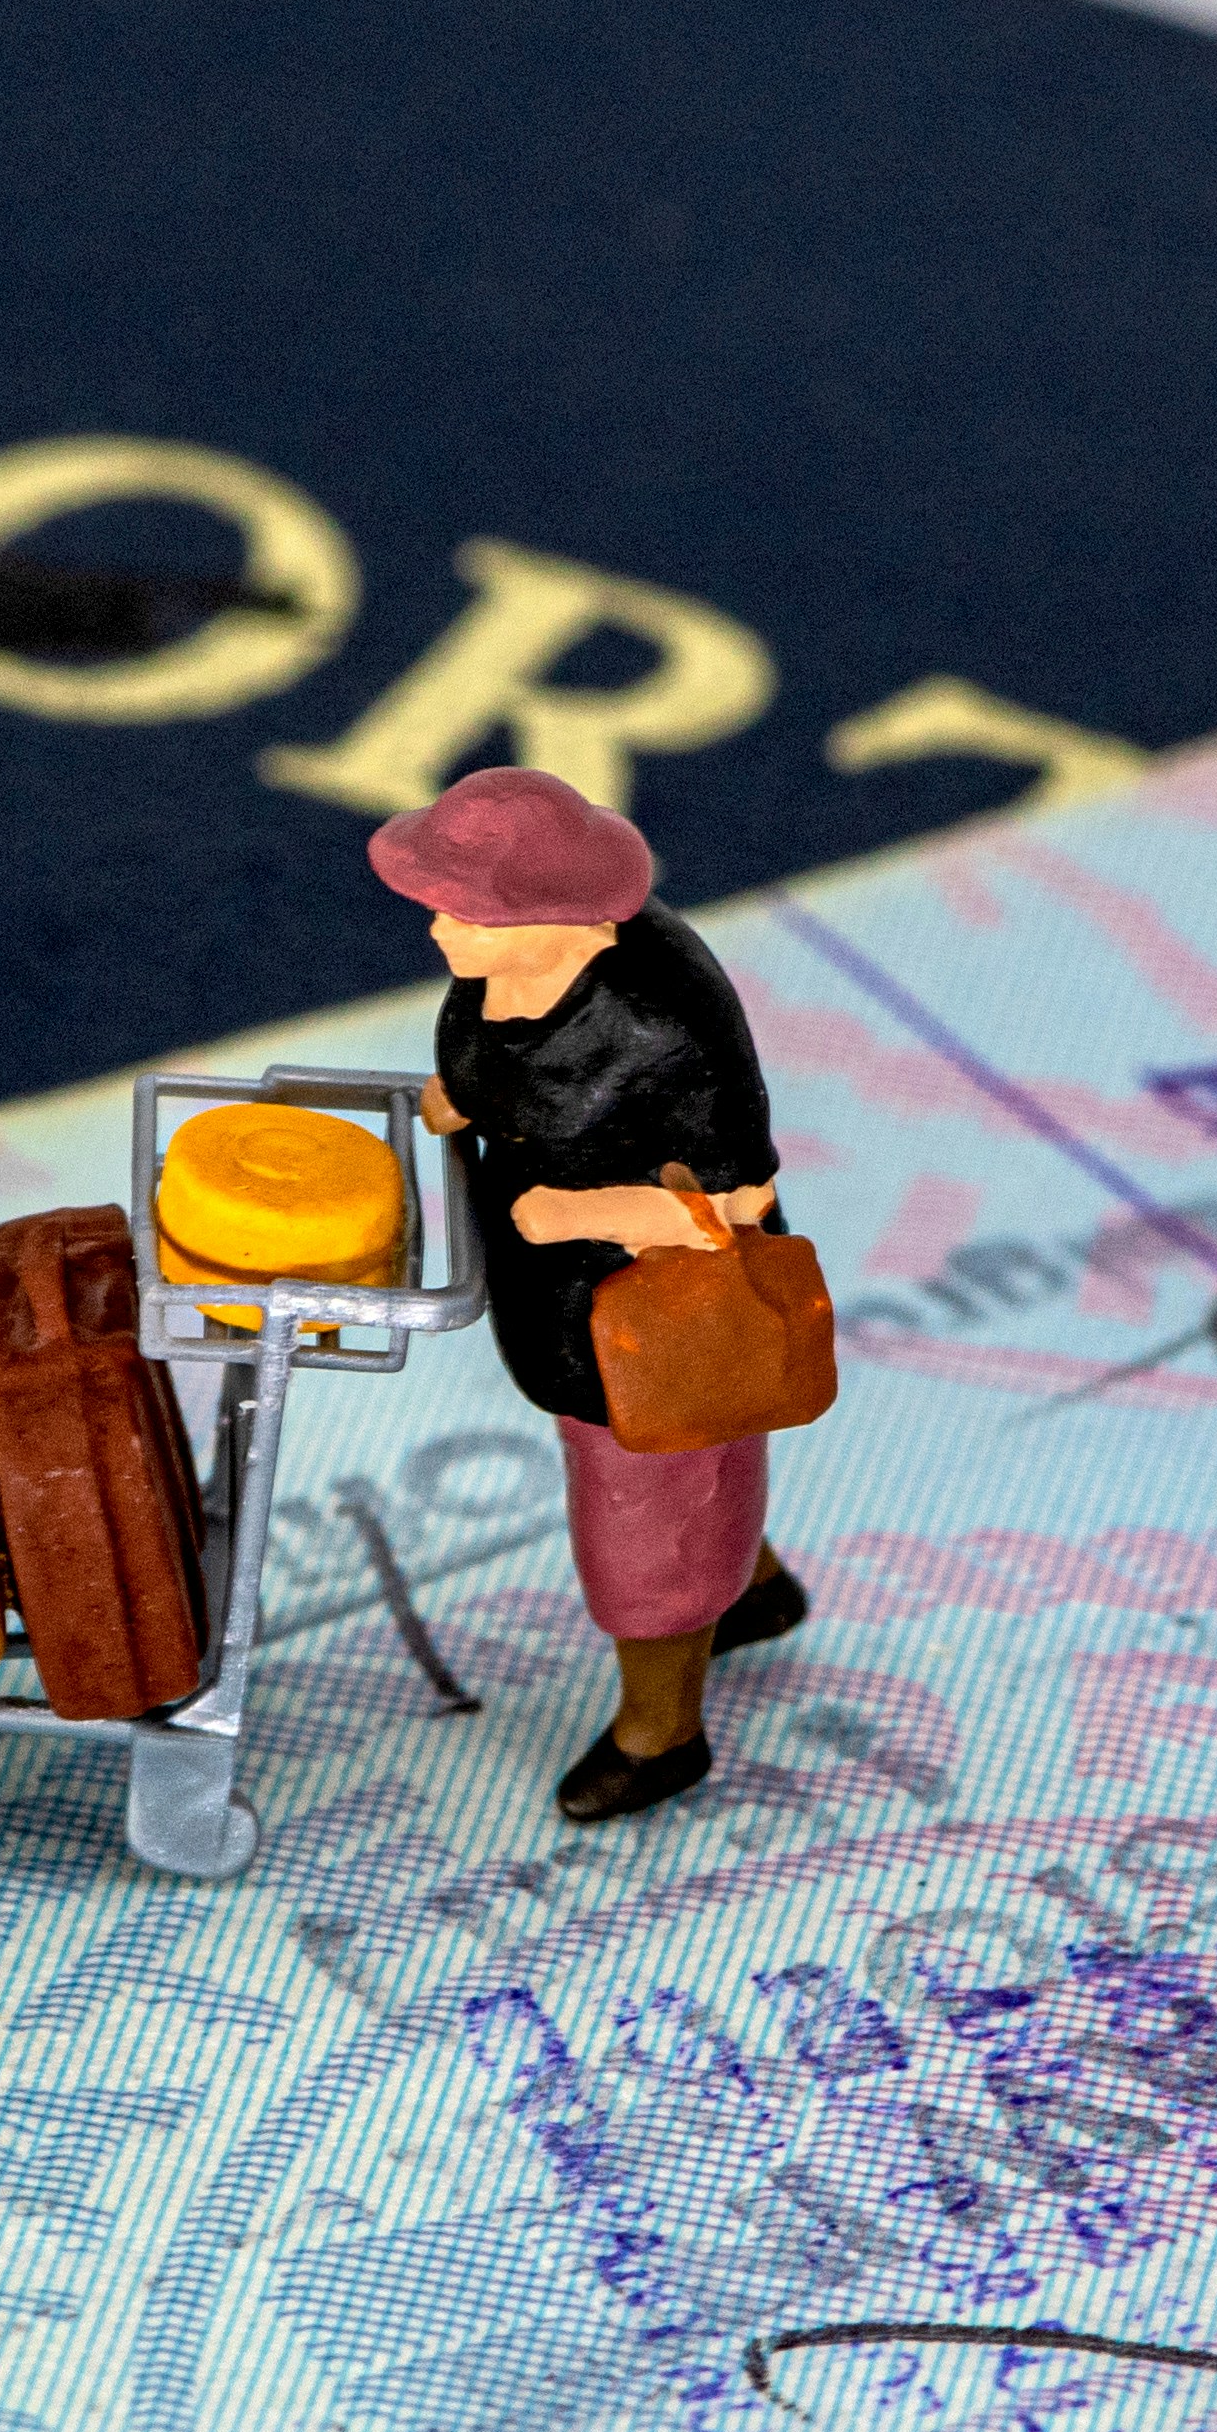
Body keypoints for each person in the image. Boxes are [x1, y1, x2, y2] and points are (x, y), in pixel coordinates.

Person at [373, 766, 807, 1821]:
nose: (437, 929)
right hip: (559, 1303)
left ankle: (661, 1733)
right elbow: (509, 1069)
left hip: (656, 1320)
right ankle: (750, 1587)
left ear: (555, 915)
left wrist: (577, 1214)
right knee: (688, 1482)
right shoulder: (511, 969)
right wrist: (465, 1094)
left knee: (643, 1523)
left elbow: (739, 1201)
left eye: (459, 908)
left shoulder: (665, 1029)